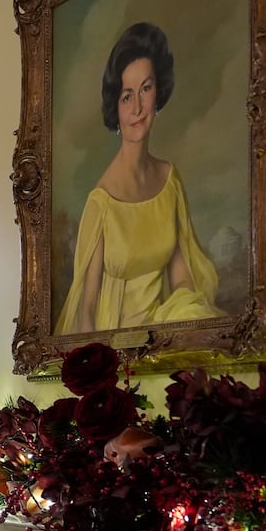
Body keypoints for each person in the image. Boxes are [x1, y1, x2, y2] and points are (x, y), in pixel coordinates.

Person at [55, 22, 220, 336]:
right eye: (126, 96)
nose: (138, 108)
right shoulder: (101, 202)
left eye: (146, 88)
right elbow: (86, 312)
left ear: (158, 91)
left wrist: (183, 328)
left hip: (159, 339)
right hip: (113, 347)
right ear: (115, 107)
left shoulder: (170, 181)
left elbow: (181, 277)